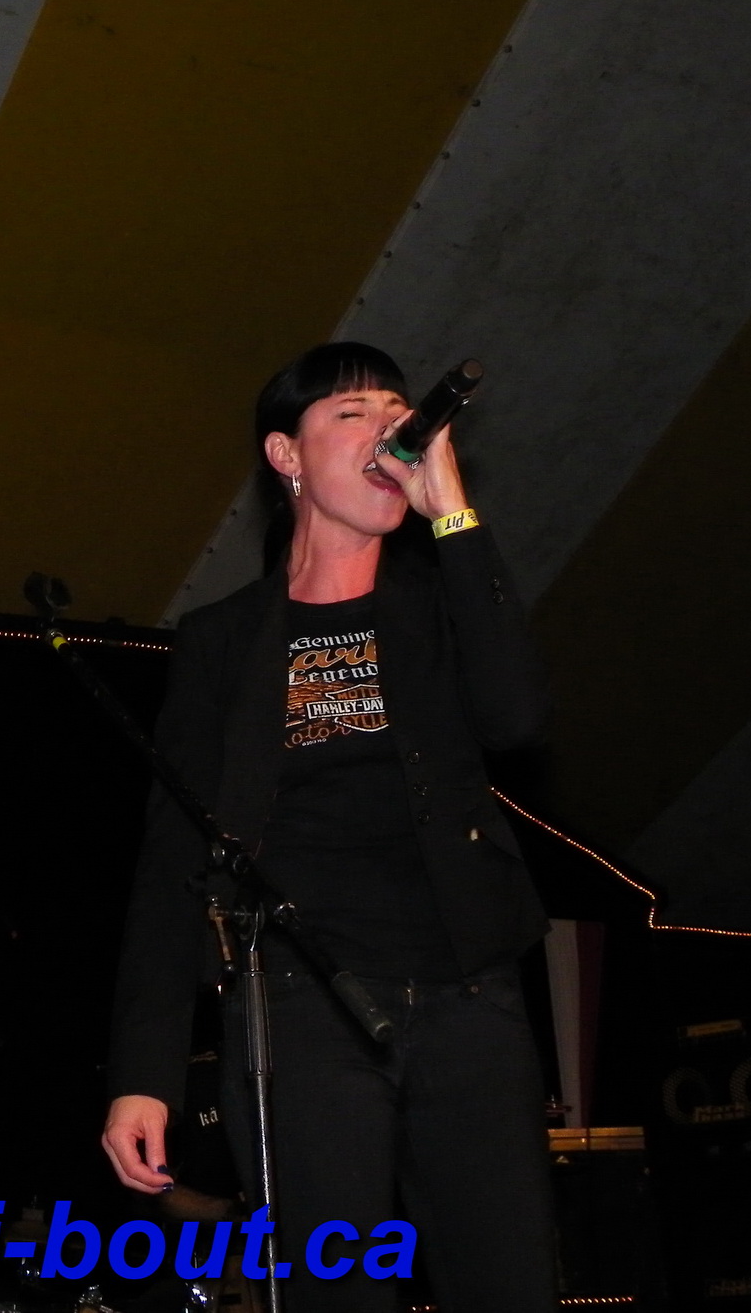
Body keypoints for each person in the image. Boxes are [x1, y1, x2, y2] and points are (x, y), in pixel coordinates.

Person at [100, 343, 555, 1312]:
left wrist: (452, 511)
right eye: (353, 414)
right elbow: (174, 856)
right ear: (286, 455)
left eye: (396, 411)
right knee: (333, 1290)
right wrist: (143, 1073)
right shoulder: (224, 640)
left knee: (507, 1285)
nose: (387, 429)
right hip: (301, 1007)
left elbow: (514, 718)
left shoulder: (440, 604)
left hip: (468, 996)